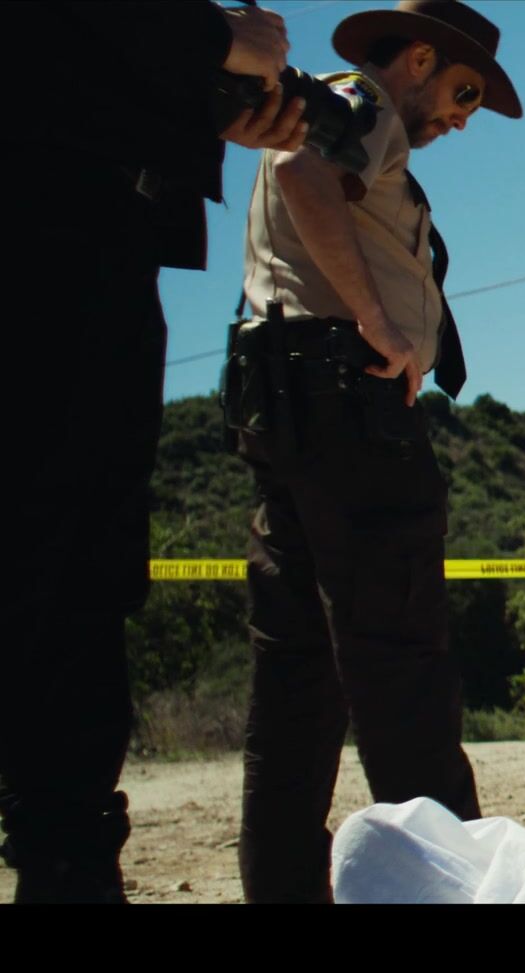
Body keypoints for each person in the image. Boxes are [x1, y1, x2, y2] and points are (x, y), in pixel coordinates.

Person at [0, 1, 306, 904]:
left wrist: (204, 102)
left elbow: (78, 61)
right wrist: (211, 39)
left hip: (110, 233)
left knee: (88, 572)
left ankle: (71, 861)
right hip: (34, 226)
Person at [229, 0, 521, 904]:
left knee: (297, 680)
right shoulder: (365, 102)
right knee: (404, 667)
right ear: (421, 59)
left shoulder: (347, 109)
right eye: (465, 92)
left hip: (281, 400)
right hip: (348, 405)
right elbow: (299, 167)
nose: (463, 118)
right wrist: (375, 319)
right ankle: (452, 888)